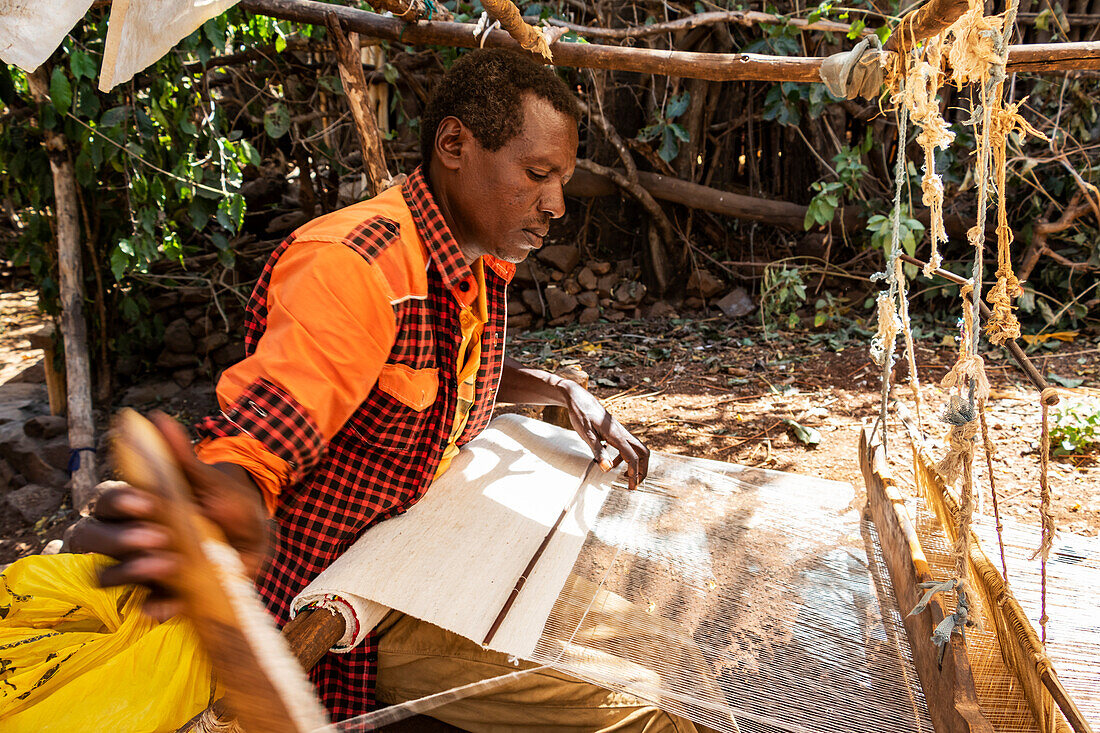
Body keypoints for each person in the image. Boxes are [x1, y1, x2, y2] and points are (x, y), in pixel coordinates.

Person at [71, 49, 708, 732]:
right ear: (456, 144)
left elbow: (435, 385)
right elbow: (272, 423)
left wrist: (554, 387)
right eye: (537, 175)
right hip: (342, 591)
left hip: (421, 543)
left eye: (562, 180)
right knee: (646, 712)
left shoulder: (479, 257)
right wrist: (228, 494)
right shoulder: (354, 268)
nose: (555, 204)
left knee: (672, 656)